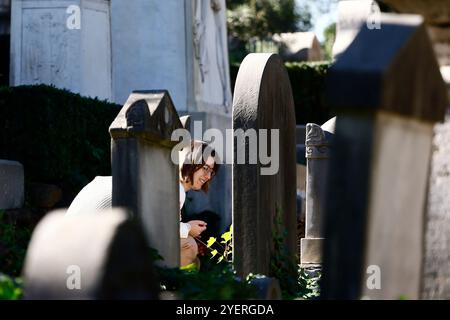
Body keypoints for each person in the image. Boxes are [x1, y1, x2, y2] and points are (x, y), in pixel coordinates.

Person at [179, 140, 220, 270]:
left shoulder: (179, 190)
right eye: (205, 168)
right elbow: (160, 228)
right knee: (189, 245)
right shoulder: (175, 190)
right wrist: (187, 229)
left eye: (211, 171)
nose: (208, 176)